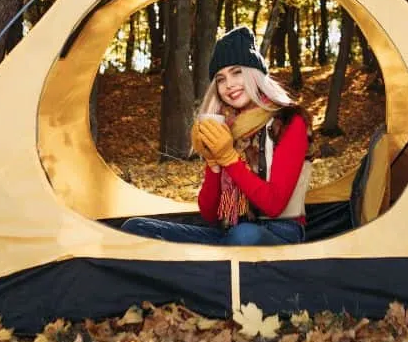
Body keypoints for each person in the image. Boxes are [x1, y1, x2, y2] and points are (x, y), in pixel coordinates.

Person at [121, 26, 313, 246]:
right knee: (135, 228)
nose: (229, 85)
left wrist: (229, 159)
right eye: (220, 79)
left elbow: (274, 205)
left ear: (254, 74)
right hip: (229, 231)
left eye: (237, 72)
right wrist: (213, 162)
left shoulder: (289, 120)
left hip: (280, 232)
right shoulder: (223, 127)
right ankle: (209, 271)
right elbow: (210, 214)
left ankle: (204, 270)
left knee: (244, 235)